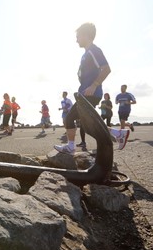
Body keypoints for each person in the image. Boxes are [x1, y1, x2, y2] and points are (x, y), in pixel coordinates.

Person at [54, 23, 129, 155]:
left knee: (69, 118)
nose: (76, 39)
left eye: (78, 36)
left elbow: (106, 69)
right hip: (85, 94)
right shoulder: (86, 53)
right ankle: (119, 133)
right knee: (88, 124)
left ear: (86, 36)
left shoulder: (94, 50)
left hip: (91, 94)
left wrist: (94, 85)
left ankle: (71, 147)